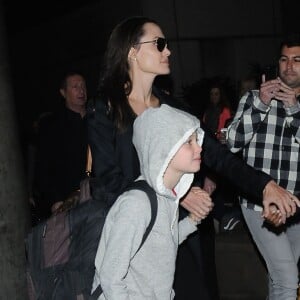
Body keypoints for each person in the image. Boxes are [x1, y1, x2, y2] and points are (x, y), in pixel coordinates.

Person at [87, 16, 299, 300]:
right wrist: (173, 193)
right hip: (135, 243)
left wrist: (265, 187)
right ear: (132, 51)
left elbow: (220, 157)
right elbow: (107, 184)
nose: (168, 51)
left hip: (182, 233)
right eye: (159, 44)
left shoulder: (173, 108)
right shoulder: (106, 108)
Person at [92, 104, 207, 299]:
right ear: (164, 147)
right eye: (189, 141)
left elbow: (161, 244)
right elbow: (110, 278)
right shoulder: (137, 205)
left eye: (197, 139)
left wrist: (192, 221)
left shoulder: (168, 196)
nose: (199, 147)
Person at [226, 33, 300, 299]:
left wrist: (293, 109)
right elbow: (232, 142)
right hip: (259, 203)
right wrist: (261, 104)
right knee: (288, 280)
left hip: (295, 207)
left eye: (296, 60)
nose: (289, 65)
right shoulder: (254, 98)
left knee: (282, 278)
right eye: (284, 59)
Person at [33, 71, 88, 222]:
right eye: (75, 87)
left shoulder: (96, 119)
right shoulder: (52, 126)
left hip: (98, 195)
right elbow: (43, 167)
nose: (81, 90)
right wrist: (55, 201)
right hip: (67, 202)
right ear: (63, 93)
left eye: (83, 86)